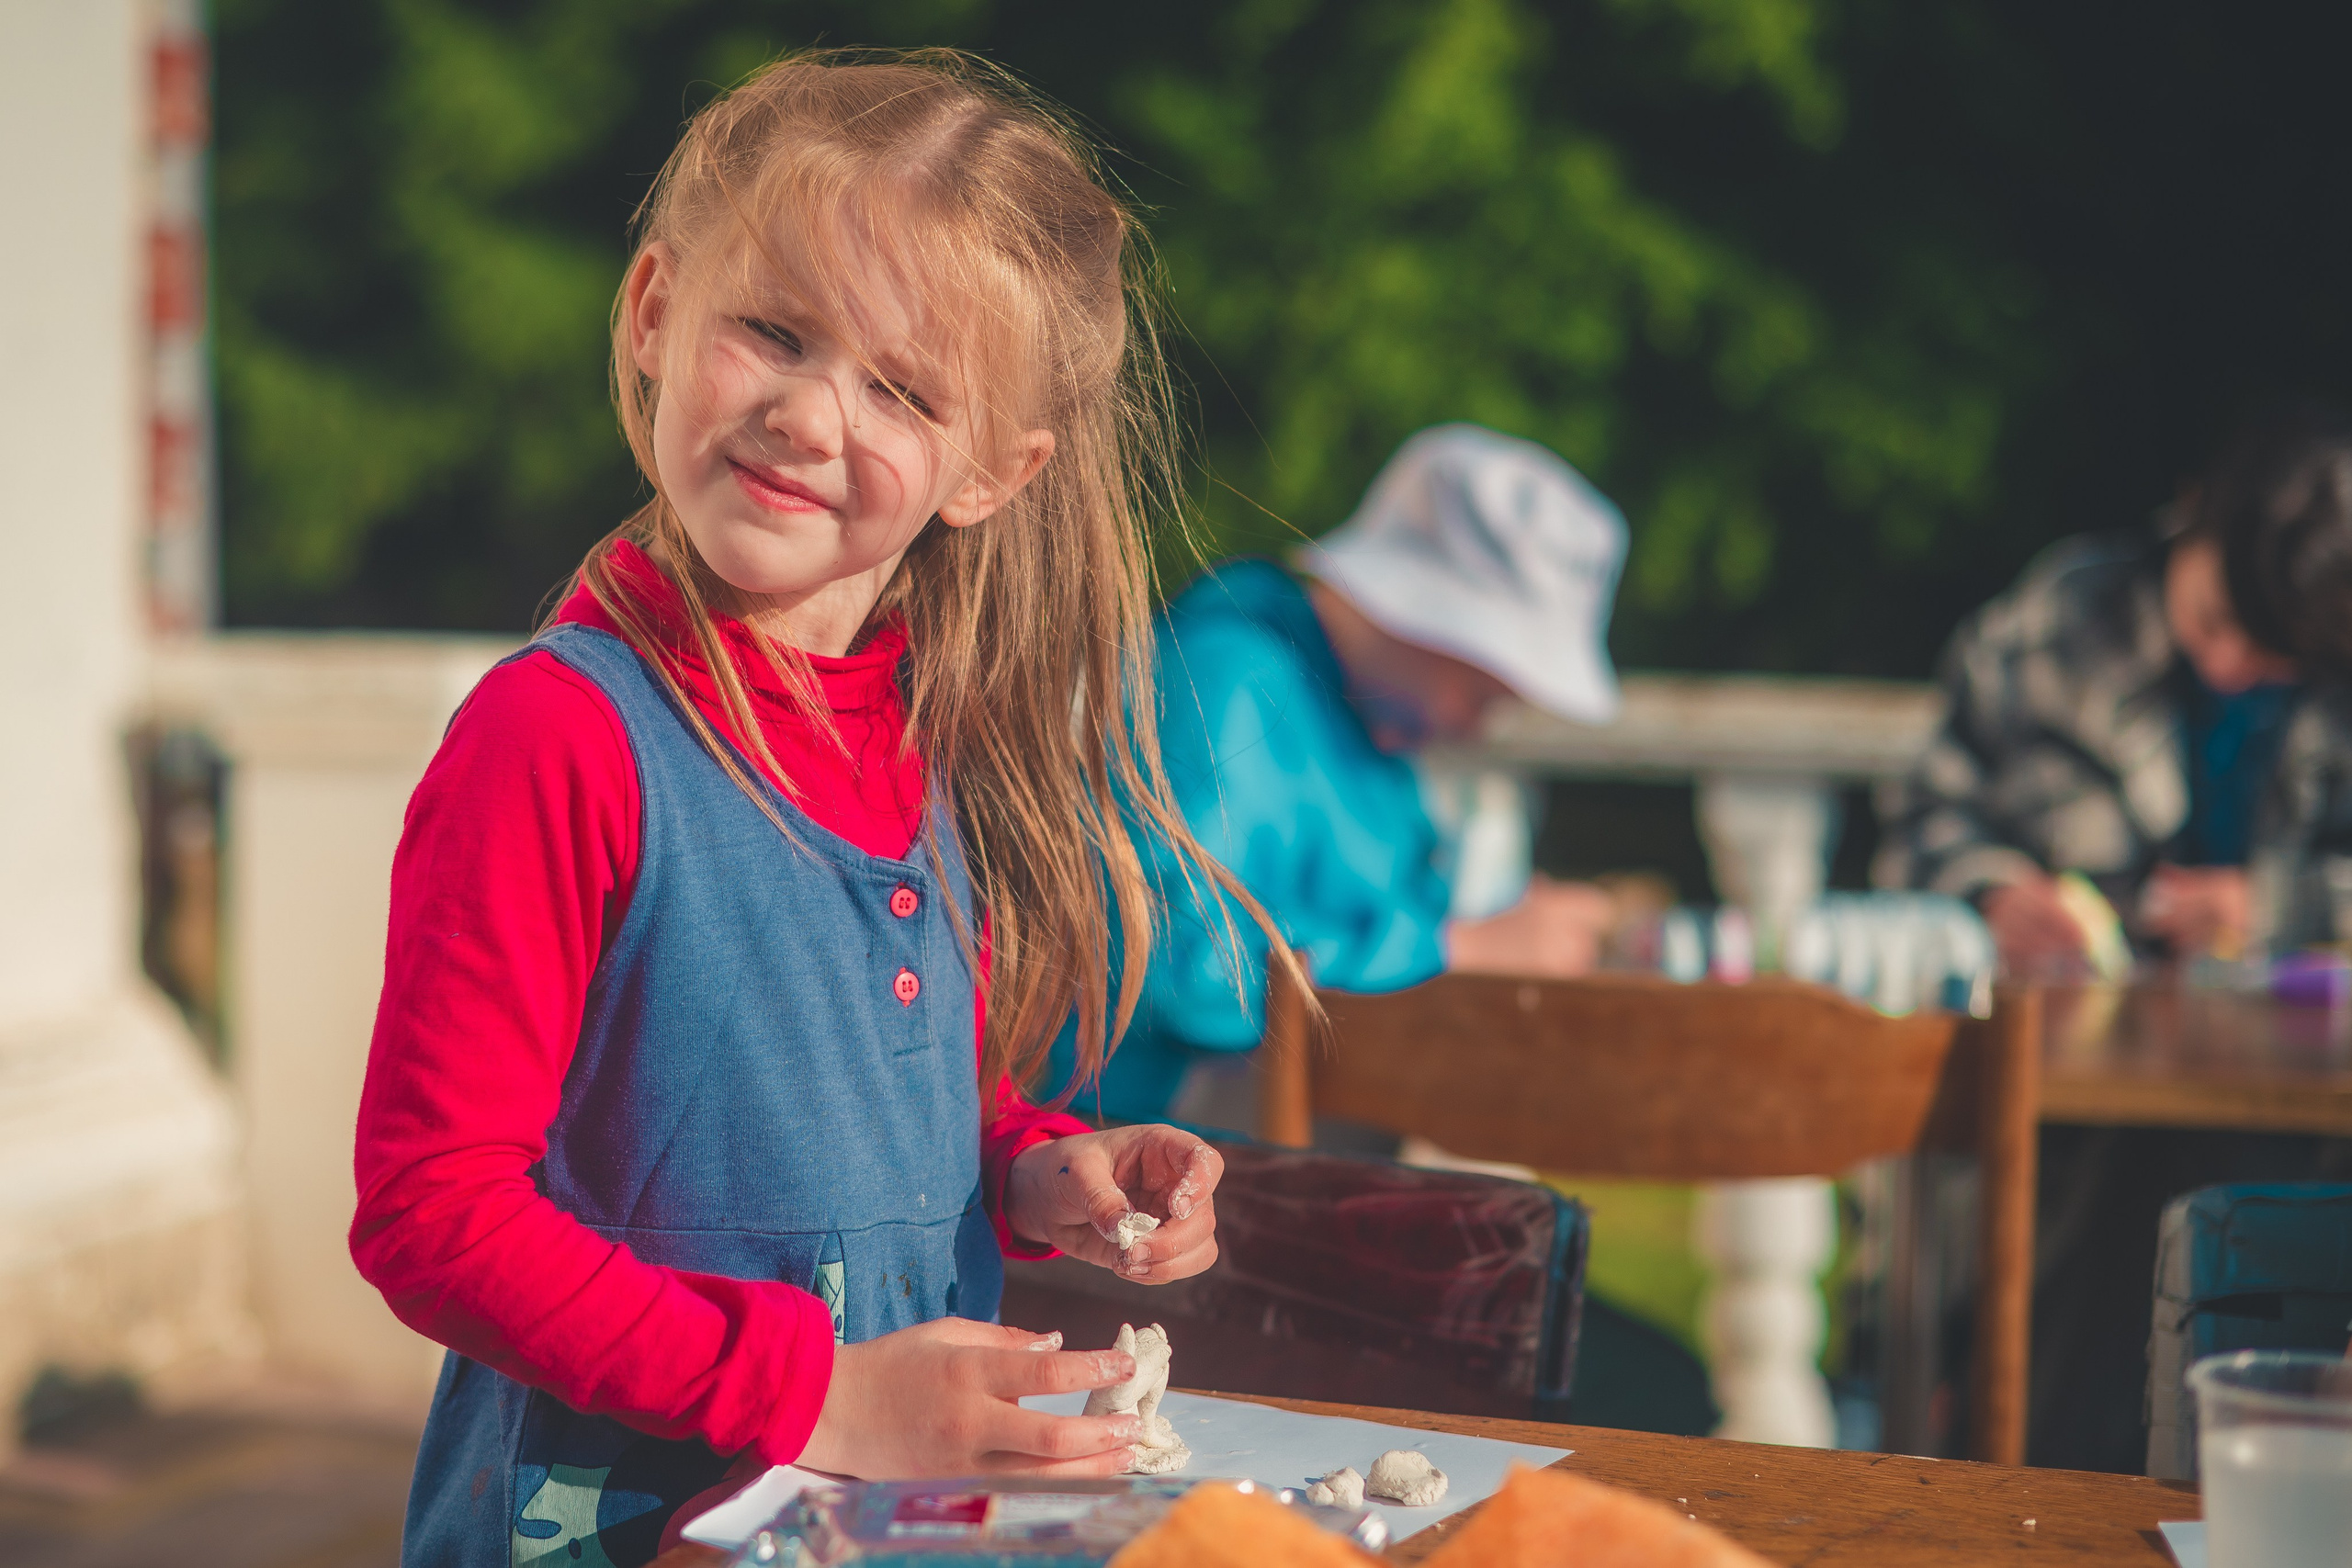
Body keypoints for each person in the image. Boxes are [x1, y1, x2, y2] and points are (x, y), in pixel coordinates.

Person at [348, 54, 1296, 1567]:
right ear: (658, 313)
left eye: (901, 390)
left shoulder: (936, 748)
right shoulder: (558, 737)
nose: (807, 413)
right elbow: (433, 1209)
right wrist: (822, 1396)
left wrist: (1046, 1170)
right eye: (772, 332)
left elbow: (899, 1121)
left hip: (887, 1528)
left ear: (992, 471)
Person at [1054, 423, 1629, 1124]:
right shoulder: (1231, 682)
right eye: (1478, 694)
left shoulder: (1360, 724)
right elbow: (1180, 966)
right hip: (1120, 1159)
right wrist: (1460, 948)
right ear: (1423, 619)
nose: (1474, 729)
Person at [1881, 403, 2352, 976]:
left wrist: (2287, 909)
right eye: (2210, 619)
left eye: (2272, 659)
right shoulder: (2056, 627)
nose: (2225, 668)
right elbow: (1924, 814)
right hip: (2066, 1038)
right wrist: (1991, 894)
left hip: (2298, 1055)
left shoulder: (2335, 684)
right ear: (2190, 515)